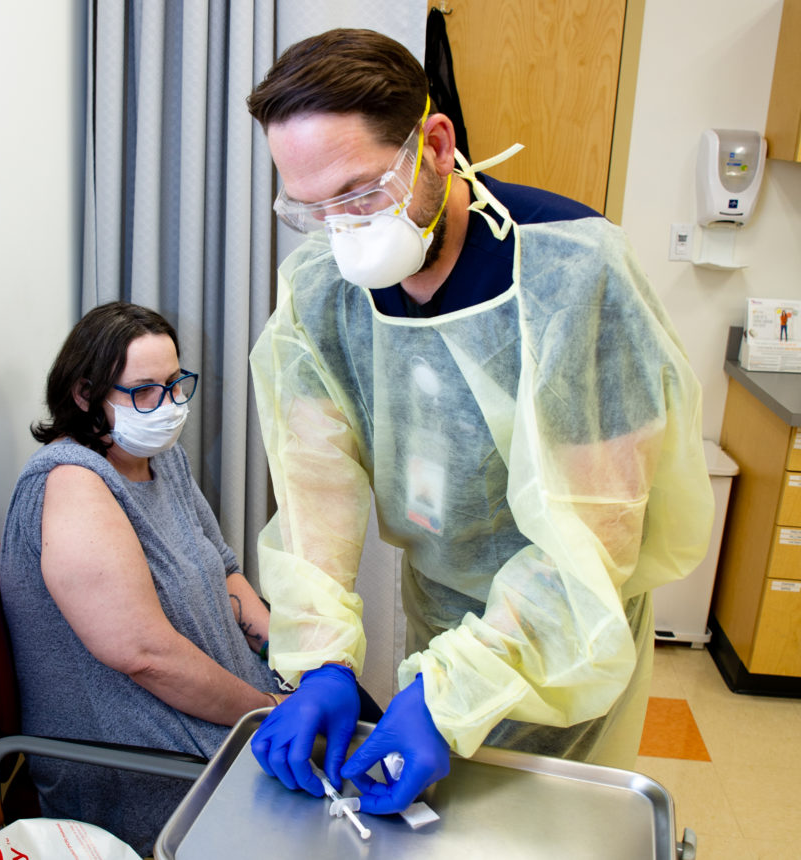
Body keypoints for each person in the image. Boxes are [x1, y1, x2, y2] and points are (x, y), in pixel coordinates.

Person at [245, 28, 714, 816]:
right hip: (441, 605)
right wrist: (323, 657)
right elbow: (312, 487)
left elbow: (594, 538)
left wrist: (451, 688)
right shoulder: (321, 292)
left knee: (544, 826)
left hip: (570, 624)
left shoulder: (573, 275)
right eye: (312, 208)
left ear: (433, 143)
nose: (344, 233)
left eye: (360, 194)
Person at [0, 301, 285, 856]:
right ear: (85, 396)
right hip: (141, 760)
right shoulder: (73, 486)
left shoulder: (158, 458)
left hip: (225, 713)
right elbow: (145, 655)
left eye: (176, 384)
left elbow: (225, 571)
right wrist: (267, 713)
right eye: (144, 391)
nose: (170, 405)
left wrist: (291, 660)